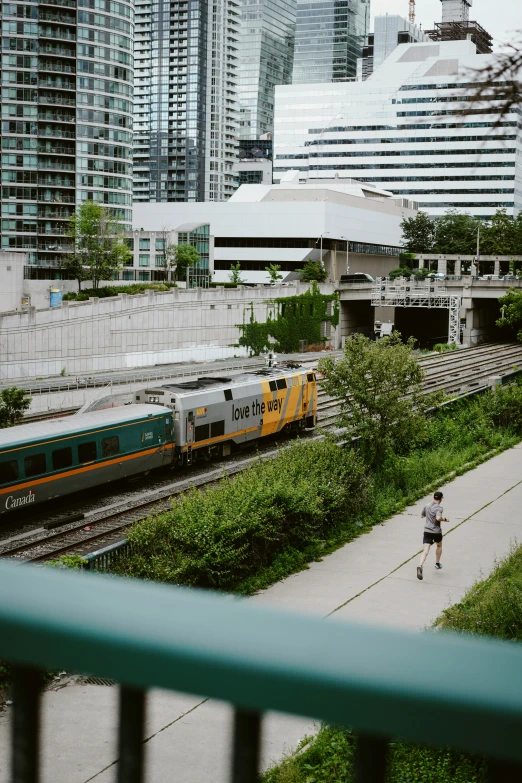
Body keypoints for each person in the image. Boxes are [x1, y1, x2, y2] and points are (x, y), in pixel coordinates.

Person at [417, 491, 449, 581]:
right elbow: (438, 518)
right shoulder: (439, 508)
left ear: (433, 498)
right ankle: (437, 563)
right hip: (436, 532)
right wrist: (445, 519)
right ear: (441, 499)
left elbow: (422, 515)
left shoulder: (427, 505)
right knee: (439, 545)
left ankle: (420, 565)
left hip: (427, 531)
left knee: (425, 550)